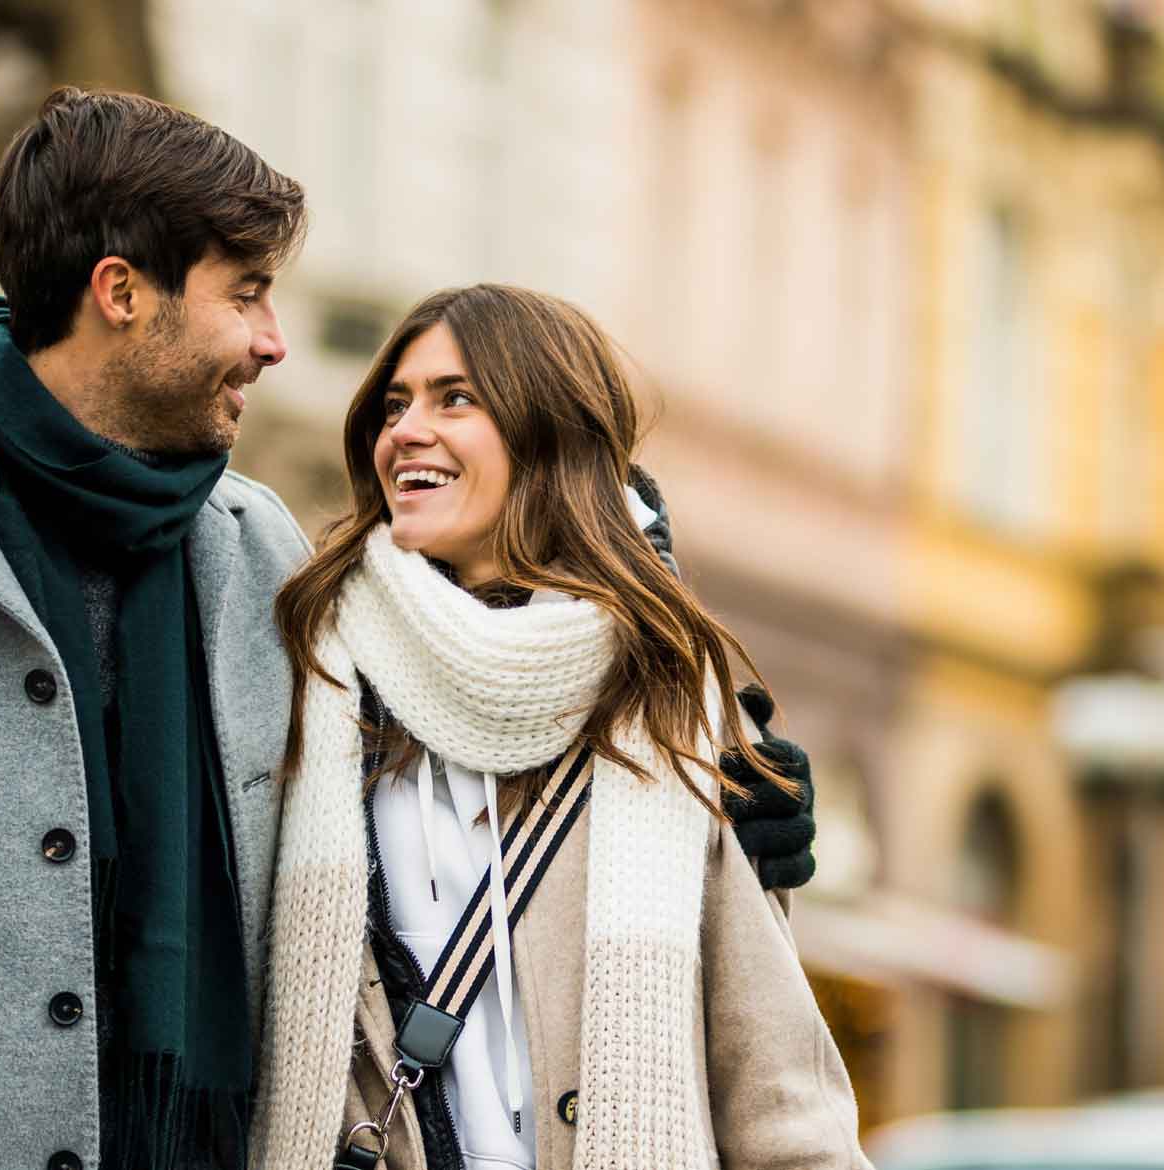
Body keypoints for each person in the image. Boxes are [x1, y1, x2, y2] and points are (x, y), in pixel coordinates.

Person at [0, 88, 815, 1170]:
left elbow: (479, 701)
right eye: (247, 295)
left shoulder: (266, 558)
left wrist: (724, 790)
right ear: (121, 294)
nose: (274, 342)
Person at [251, 284, 870, 1170]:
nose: (405, 431)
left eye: (454, 397)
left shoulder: (666, 697)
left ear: (547, 433)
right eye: (395, 404)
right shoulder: (310, 669)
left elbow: (777, 1090)